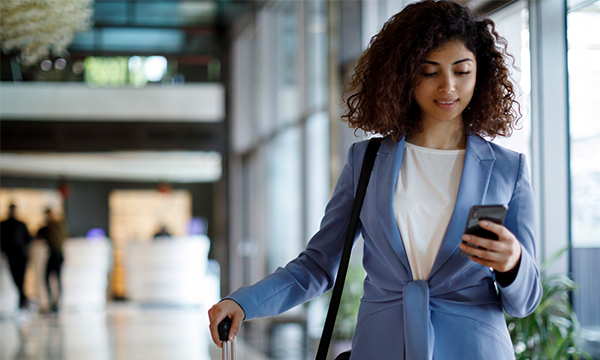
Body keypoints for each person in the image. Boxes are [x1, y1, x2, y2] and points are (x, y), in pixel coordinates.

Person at [208, 1, 542, 359]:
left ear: (482, 74)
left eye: (462, 71)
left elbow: (525, 302)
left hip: (474, 350)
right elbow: (318, 265)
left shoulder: (509, 169)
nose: (448, 86)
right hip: (381, 348)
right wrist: (245, 302)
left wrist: (513, 263)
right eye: (430, 72)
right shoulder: (366, 161)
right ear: (403, 75)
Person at [0, 204, 33, 310]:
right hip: (13, 255)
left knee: (20, 278)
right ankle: (23, 299)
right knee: (17, 279)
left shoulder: (20, 224)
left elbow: (28, 239)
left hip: (19, 255)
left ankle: (22, 300)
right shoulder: (4, 225)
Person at [36, 208, 66, 313]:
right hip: (54, 255)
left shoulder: (55, 226)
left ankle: (56, 303)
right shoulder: (49, 227)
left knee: (56, 279)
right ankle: (52, 302)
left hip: (57, 255)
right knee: (49, 279)